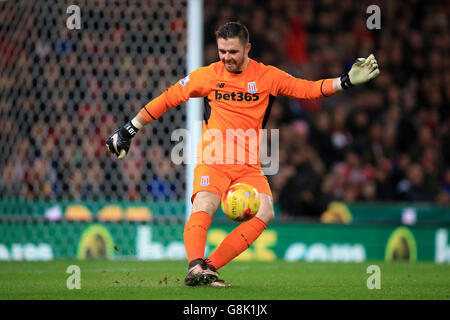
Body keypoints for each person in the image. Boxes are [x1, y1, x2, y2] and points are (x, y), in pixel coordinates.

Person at [106, 21, 379, 287]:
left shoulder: (267, 76)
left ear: (247, 48)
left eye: (233, 52)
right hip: (214, 159)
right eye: (222, 51)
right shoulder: (208, 75)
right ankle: (194, 267)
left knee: (267, 211)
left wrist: (345, 82)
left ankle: (208, 267)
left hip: (248, 167)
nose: (226, 58)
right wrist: (129, 130)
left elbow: (307, 90)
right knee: (204, 205)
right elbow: (167, 98)